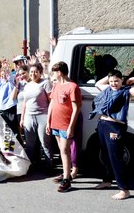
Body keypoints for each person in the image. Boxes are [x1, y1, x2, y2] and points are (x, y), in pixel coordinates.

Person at [90, 70, 134, 200]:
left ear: (122, 80)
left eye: (116, 81)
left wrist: (132, 79)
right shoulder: (107, 89)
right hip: (103, 124)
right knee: (105, 155)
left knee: (116, 157)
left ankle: (124, 189)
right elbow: (98, 83)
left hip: (115, 126)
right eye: (111, 81)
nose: (114, 84)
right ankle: (107, 181)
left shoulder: (127, 91)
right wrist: (109, 75)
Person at [46, 61, 82, 193]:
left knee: (65, 150)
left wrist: (71, 127)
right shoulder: (56, 86)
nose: (53, 75)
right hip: (55, 123)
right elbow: (52, 103)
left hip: (65, 124)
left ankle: (67, 179)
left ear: (59, 72)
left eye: (54, 72)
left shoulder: (72, 87)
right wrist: (48, 121)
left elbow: (76, 108)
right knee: (62, 150)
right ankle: (65, 173)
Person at [20, 63, 53, 171]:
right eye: (31, 72)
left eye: (35, 72)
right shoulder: (27, 85)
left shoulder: (45, 83)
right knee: (30, 144)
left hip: (42, 115)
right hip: (29, 116)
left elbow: (51, 101)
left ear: (40, 72)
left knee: (45, 143)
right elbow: (24, 103)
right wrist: (22, 118)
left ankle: (49, 165)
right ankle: (29, 166)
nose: (33, 74)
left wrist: (49, 118)